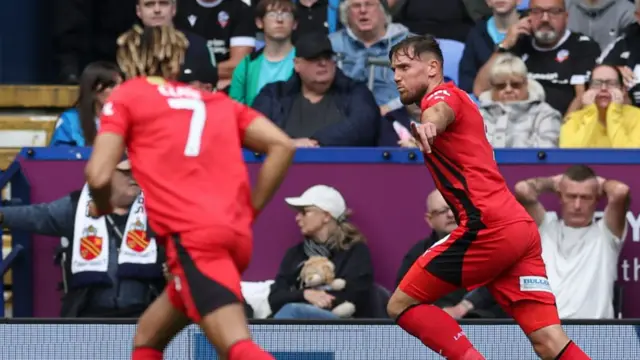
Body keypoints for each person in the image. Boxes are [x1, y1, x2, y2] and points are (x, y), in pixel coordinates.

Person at [84, 25, 296, 360]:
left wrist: (102, 205)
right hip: (232, 236)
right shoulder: (214, 101)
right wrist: (251, 210)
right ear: (175, 59)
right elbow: (282, 145)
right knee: (147, 338)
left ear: (126, 60)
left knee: (237, 347)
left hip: (193, 239)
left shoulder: (128, 94)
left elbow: (97, 176)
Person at [387, 34, 590, 360]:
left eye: (404, 66)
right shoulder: (463, 99)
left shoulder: (441, 96)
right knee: (549, 341)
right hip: (519, 230)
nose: (396, 75)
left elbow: (438, 111)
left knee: (401, 303)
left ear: (432, 67)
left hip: (488, 228)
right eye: (393, 68)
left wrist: (429, 125)